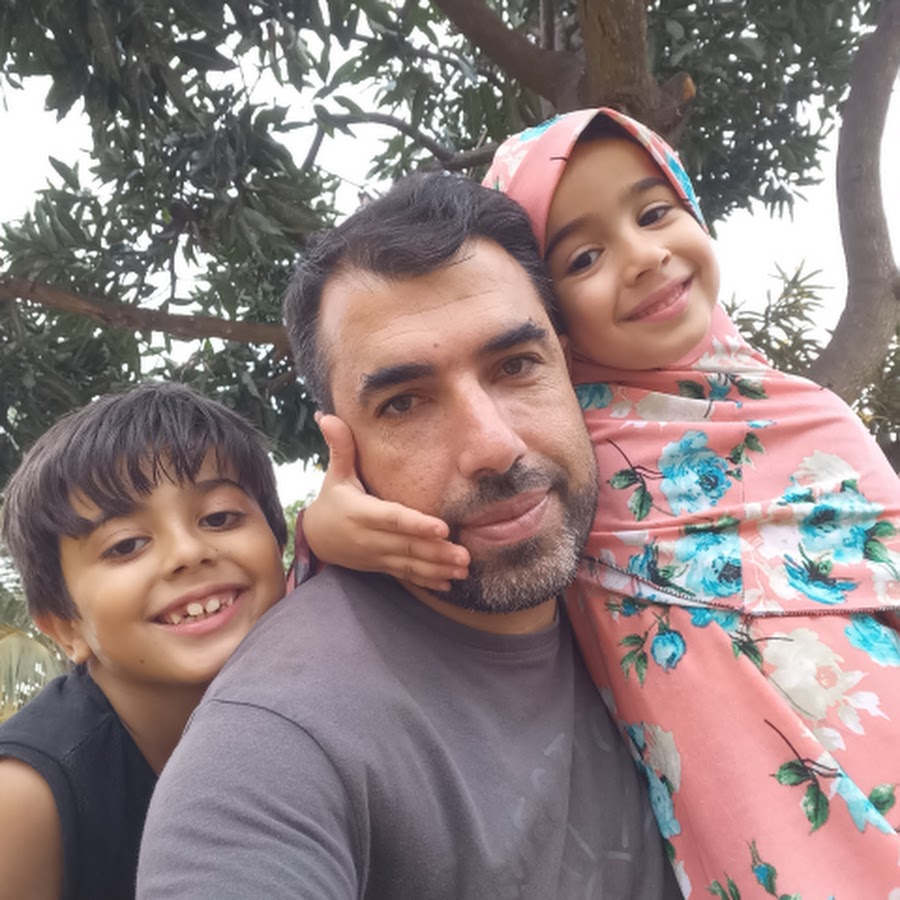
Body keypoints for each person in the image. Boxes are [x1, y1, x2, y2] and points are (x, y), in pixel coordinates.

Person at [300, 108, 900, 898]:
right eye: (584, 256)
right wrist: (322, 529)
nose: (645, 258)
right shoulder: (548, 455)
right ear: (545, 308)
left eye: (654, 213)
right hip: (763, 827)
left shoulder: (811, 416)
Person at [135, 173, 682, 899]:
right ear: (342, 449)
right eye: (404, 403)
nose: (494, 446)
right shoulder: (280, 735)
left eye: (516, 366)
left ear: (570, 368)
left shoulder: (665, 564)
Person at [0, 382, 288, 900]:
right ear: (65, 627)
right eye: (126, 545)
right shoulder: (25, 796)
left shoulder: (320, 699)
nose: (188, 552)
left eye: (219, 517)